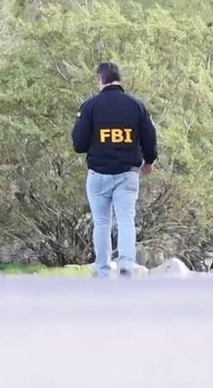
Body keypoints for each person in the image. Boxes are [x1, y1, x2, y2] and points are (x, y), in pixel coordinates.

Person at [71, 62, 157, 278]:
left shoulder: (90, 106)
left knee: (101, 222)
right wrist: (149, 161)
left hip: (98, 173)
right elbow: (149, 136)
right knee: (126, 218)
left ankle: (103, 269)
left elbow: (79, 144)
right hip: (127, 173)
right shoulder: (136, 106)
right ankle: (127, 265)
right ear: (119, 79)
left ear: (100, 79)